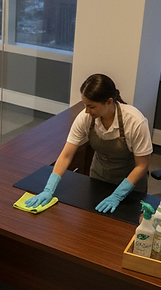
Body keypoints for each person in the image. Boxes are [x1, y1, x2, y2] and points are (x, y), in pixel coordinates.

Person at [24, 73, 153, 214]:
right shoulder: (86, 117)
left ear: (109, 102)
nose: (86, 110)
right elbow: (66, 155)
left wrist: (117, 195)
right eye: (85, 105)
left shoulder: (135, 122)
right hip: (99, 179)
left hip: (130, 187)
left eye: (91, 106)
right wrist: (48, 189)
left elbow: (142, 165)